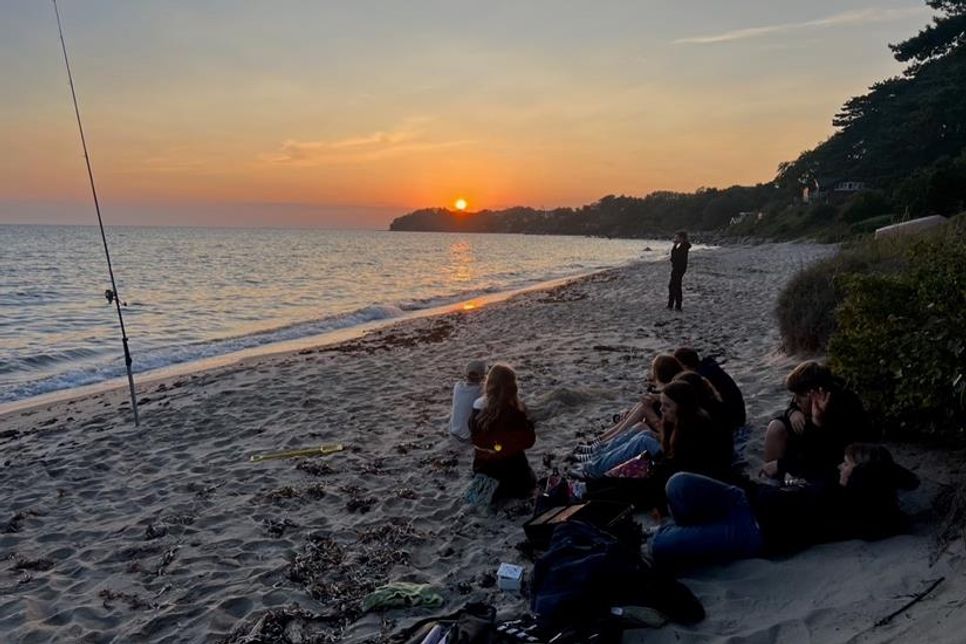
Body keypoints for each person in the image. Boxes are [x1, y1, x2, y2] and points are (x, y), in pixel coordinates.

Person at [650, 444, 919, 570]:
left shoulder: (858, 509)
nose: (841, 466)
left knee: (660, 546)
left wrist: (868, 471)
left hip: (755, 530)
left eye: (847, 464)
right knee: (678, 484)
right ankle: (694, 530)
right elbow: (807, 470)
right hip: (746, 499)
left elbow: (902, 489)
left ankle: (690, 533)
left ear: (863, 473)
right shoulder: (834, 481)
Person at [762, 361, 873, 482]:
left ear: (818, 392)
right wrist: (792, 412)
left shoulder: (845, 412)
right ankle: (772, 479)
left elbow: (822, 458)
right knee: (776, 427)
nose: (796, 399)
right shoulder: (811, 397)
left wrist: (783, 465)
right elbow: (794, 403)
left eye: (800, 395)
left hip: (833, 464)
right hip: (813, 441)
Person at [469, 364, 537, 500]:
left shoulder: (477, 407)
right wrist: (529, 423)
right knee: (531, 481)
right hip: (511, 475)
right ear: (513, 387)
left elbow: (474, 437)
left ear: (489, 384)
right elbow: (529, 442)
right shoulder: (515, 412)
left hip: (482, 469)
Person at [673, 347, 746, 430]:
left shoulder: (700, 379)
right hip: (738, 414)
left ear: (684, 366)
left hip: (731, 420)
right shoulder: (709, 368)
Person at [448, 359, 486, 441]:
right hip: (467, 436)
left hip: (453, 430)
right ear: (483, 377)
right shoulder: (480, 391)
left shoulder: (457, 386)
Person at [667, 231, 691, 311]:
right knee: (673, 286)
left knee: (675, 286)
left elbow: (674, 257)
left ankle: (676, 305)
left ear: (681, 238)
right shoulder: (684, 246)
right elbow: (674, 257)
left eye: (677, 237)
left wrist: (674, 245)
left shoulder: (684, 247)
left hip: (679, 268)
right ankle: (672, 305)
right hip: (679, 268)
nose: (675, 239)